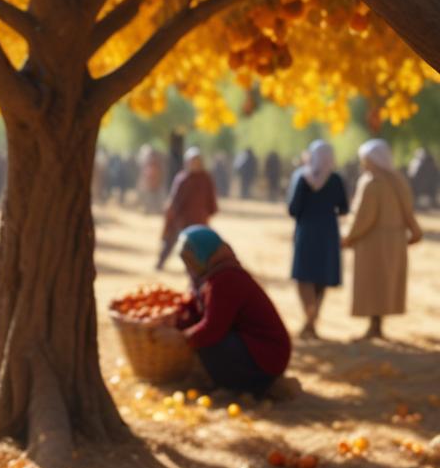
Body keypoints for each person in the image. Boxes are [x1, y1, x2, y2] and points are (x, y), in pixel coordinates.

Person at [175, 226, 291, 396]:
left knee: (210, 342)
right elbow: (195, 305)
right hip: (250, 348)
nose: (189, 266)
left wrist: (181, 338)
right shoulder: (209, 275)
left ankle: (246, 387)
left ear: (203, 254)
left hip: (267, 358)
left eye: (190, 260)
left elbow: (212, 329)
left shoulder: (226, 278)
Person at [342, 140, 423, 340]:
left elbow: (363, 217)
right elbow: (408, 211)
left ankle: (374, 327)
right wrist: (413, 232)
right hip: (395, 241)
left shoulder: (371, 182)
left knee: (372, 284)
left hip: (373, 242)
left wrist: (348, 236)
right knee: (384, 284)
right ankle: (377, 325)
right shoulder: (399, 180)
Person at [286, 141, 350, 339]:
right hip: (328, 232)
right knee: (321, 277)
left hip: (306, 232)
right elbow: (344, 208)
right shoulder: (336, 179)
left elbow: (293, 209)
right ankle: (312, 321)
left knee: (303, 276)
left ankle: (309, 320)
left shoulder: (303, 178)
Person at [158, 147, 218, 268]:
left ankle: (199, 267)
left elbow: (211, 196)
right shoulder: (182, 178)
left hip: (200, 217)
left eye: (197, 161)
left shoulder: (205, 178)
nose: (194, 164)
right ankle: (160, 263)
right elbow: (175, 198)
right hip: (182, 218)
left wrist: (211, 210)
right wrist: (173, 214)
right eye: (192, 161)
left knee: (199, 244)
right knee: (171, 240)